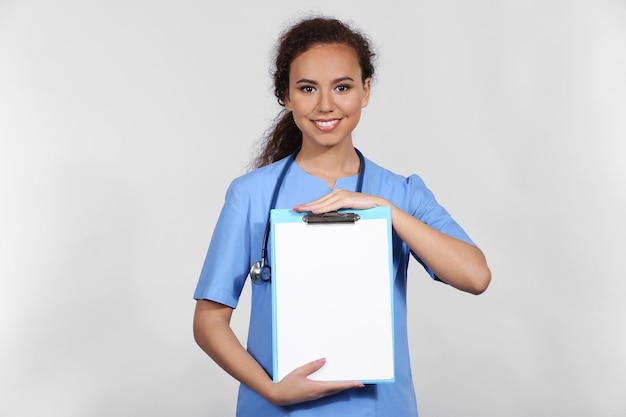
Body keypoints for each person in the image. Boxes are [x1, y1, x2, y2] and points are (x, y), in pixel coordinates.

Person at [192, 16, 491, 416]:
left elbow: (475, 277)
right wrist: (272, 390)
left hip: (380, 408)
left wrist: (385, 211)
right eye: (307, 88)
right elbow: (209, 322)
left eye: (343, 87)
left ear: (365, 91)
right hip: (279, 409)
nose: (325, 104)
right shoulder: (252, 195)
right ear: (286, 96)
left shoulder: (399, 193)